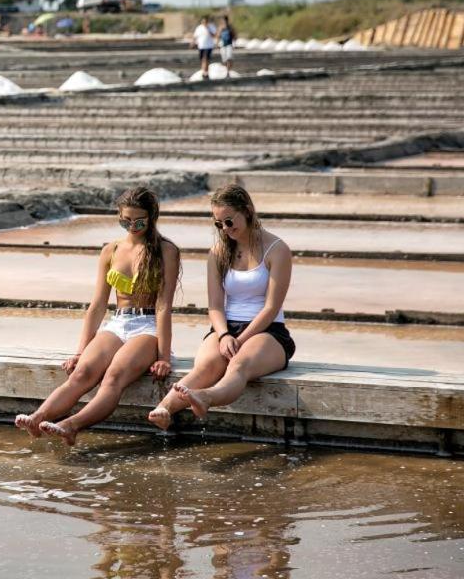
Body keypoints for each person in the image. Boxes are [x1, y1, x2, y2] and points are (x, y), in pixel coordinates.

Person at [15, 186, 180, 446]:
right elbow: (98, 305)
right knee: (81, 374)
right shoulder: (111, 250)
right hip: (118, 323)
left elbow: (163, 305)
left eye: (138, 221)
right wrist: (81, 351)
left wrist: (163, 356)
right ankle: (38, 417)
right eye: (125, 221)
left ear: (151, 217)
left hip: (148, 327)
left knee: (114, 377)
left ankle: (72, 425)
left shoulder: (166, 251)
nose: (132, 226)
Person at [148, 184, 295, 430]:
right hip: (226, 328)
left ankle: (206, 397)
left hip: (268, 331)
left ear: (247, 211)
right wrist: (225, 334)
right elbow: (215, 306)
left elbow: (271, 308)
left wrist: (241, 339)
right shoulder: (218, 252)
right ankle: (163, 409)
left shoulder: (277, 249)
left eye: (229, 221)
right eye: (219, 224)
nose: (225, 229)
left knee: (238, 366)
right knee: (205, 367)